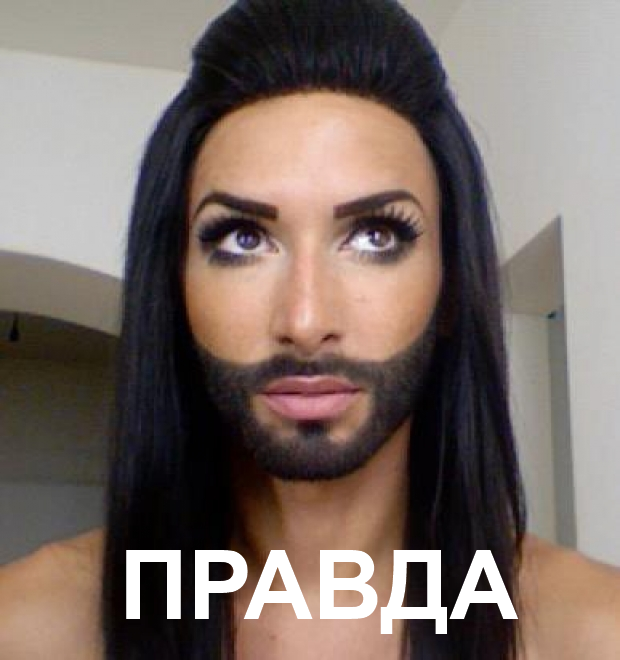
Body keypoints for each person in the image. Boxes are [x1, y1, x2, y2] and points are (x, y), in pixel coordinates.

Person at [1, 0, 619, 658]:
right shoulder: (29, 628)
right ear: (175, 288)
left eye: (376, 236)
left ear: (451, 288)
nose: (305, 321)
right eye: (242, 239)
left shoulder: (592, 632)